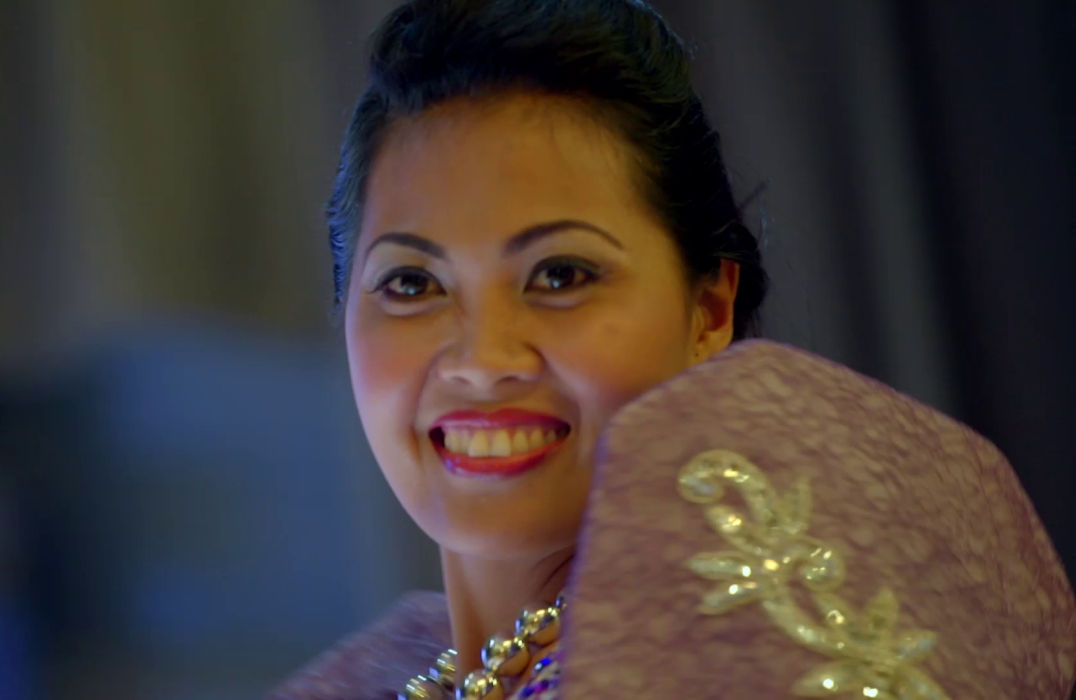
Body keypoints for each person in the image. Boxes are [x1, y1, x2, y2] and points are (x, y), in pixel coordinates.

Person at [269, 1, 1076, 697]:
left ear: (709, 308)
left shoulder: (768, 657)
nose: (481, 360)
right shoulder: (378, 676)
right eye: (412, 283)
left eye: (561, 274)